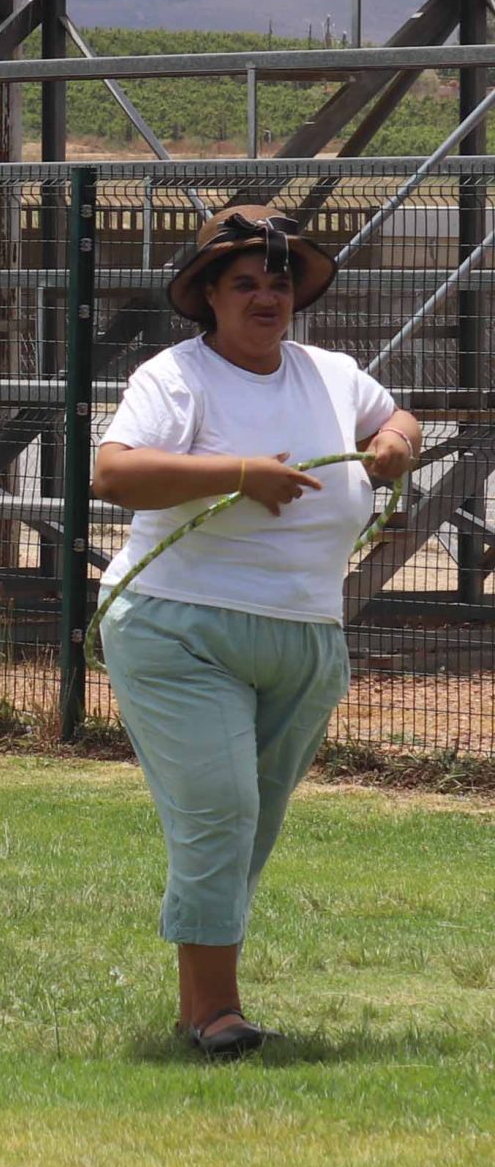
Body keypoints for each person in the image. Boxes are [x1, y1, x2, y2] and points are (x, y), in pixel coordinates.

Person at [94, 206, 420, 1058]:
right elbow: (114, 473)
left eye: (279, 282)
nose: (266, 297)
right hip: (179, 630)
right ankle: (217, 1014)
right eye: (244, 283)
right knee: (222, 810)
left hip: (304, 639)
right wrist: (237, 474)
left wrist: (393, 442)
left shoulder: (332, 374)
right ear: (209, 294)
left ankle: (200, 1005)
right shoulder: (176, 377)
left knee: (251, 824)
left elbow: (399, 417)